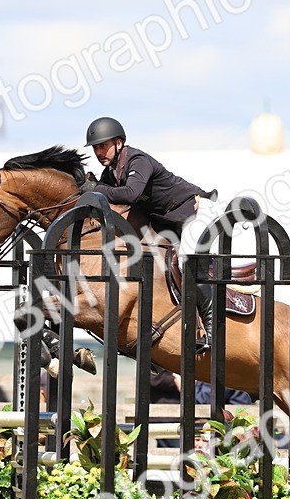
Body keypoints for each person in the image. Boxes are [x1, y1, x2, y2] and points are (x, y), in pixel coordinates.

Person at [84, 116, 218, 351]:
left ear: (118, 143)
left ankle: (211, 330)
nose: (98, 152)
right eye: (95, 147)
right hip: (167, 220)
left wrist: (97, 189)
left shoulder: (138, 160)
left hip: (196, 210)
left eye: (102, 145)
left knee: (188, 260)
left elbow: (131, 194)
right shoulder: (111, 173)